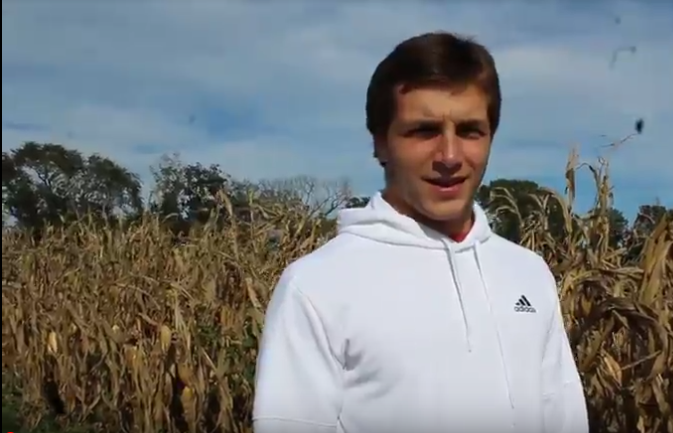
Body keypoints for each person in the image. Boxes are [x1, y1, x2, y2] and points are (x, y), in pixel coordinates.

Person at [252, 31, 589, 433]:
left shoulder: (528, 274)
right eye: (424, 131)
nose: (449, 156)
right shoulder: (316, 285)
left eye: (469, 131)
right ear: (381, 144)